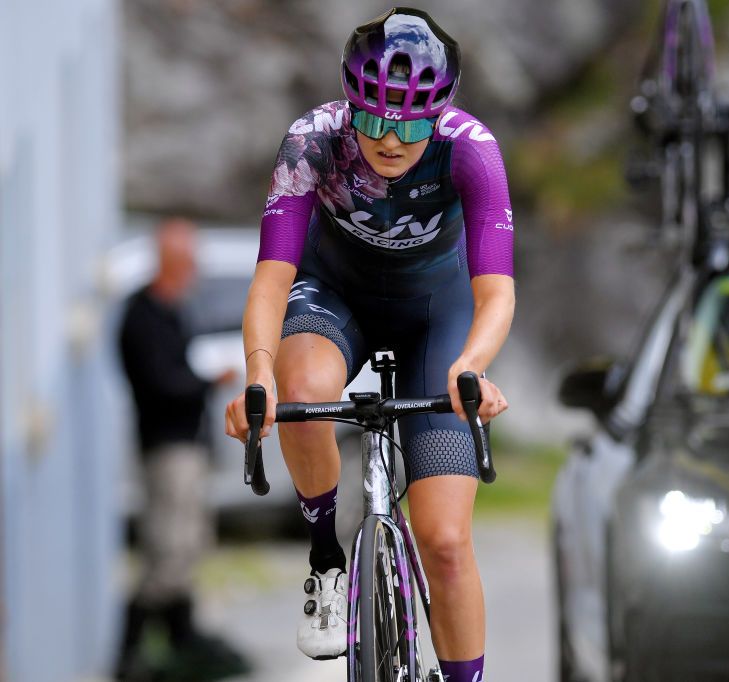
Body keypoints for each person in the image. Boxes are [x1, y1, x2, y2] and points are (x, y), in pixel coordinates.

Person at [224, 7, 514, 681]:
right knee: (301, 393)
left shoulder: (472, 148)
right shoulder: (313, 141)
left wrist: (471, 366)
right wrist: (258, 377)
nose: (389, 139)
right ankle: (327, 557)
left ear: (437, 114)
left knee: (444, 541)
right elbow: (272, 281)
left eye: (410, 123)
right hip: (336, 300)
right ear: (349, 105)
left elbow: (496, 292)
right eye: (374, 118)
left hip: (433, 320)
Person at [118, 217, 249, 681]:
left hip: (185, 445)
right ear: (173, 264)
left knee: (188, 544)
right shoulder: (143, 316)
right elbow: (161, 384)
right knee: (167, 550)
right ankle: (130, 650)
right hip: (165, 448)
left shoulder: (172, 312)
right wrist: (208, 382)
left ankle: (180, 640)